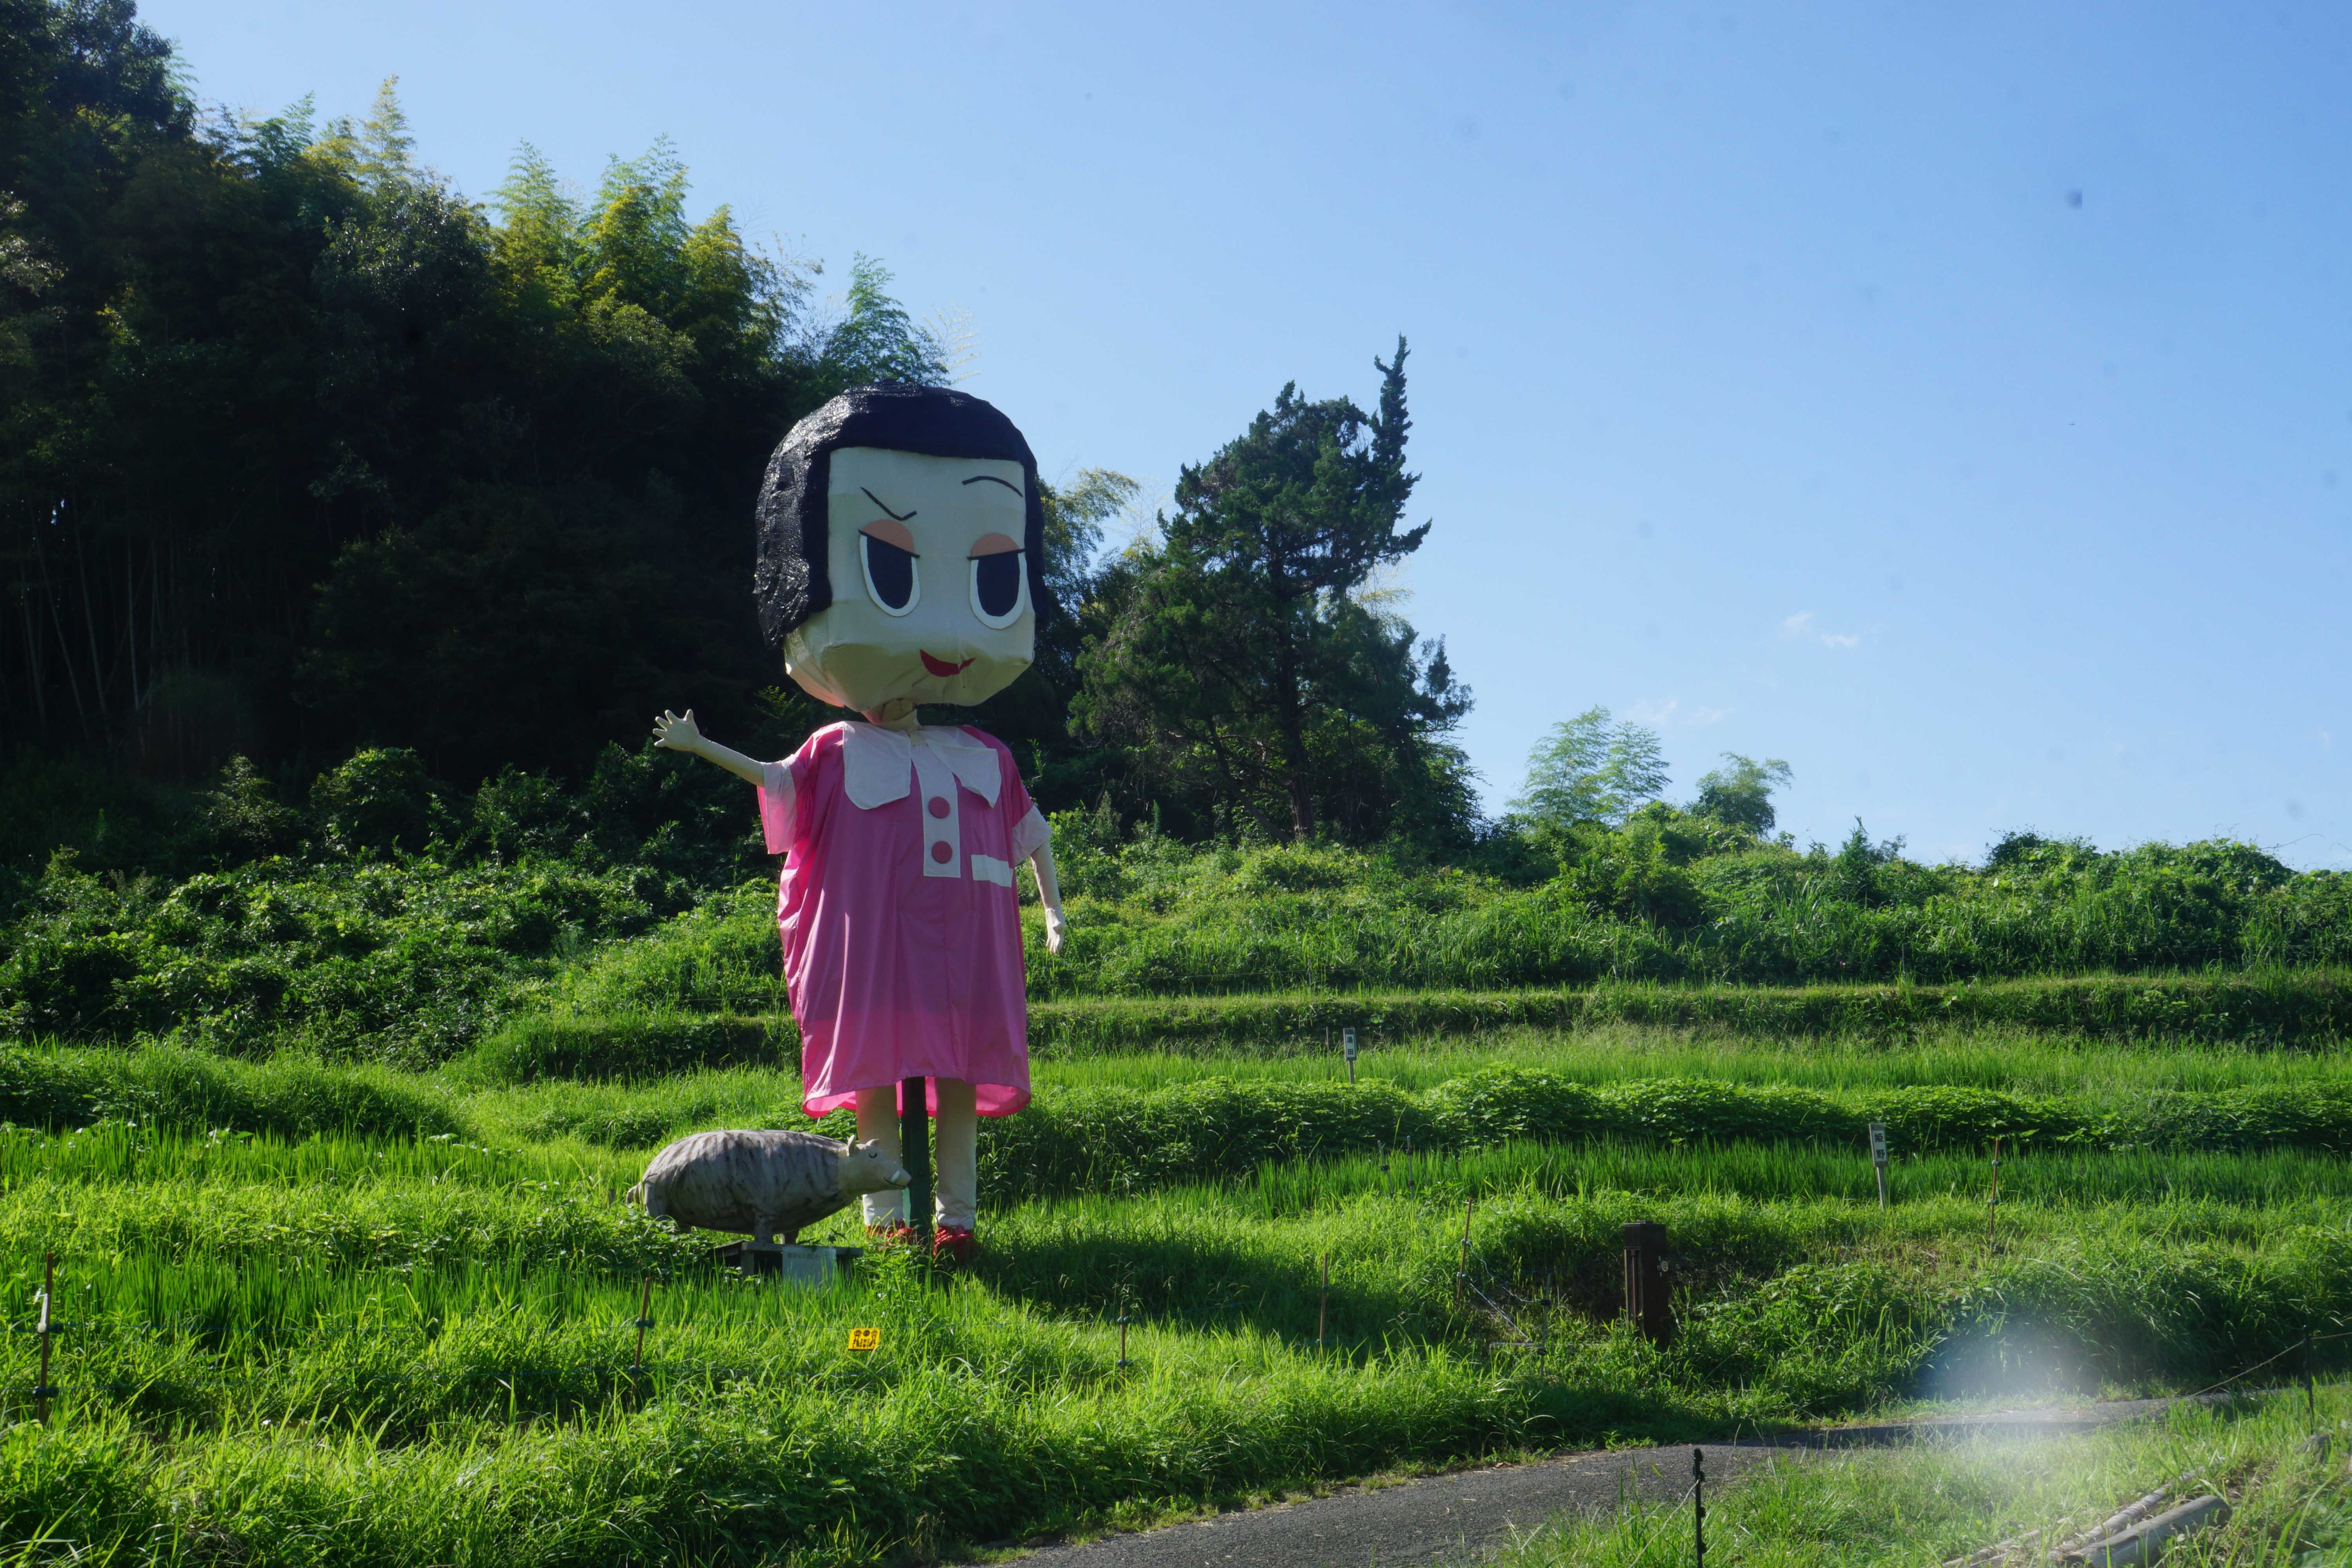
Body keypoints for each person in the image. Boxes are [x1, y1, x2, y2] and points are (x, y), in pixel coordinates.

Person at [653, 383, 1067, 1263]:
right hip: (878, 944)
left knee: (956, 1085)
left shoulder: (986, 754)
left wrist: (1054, 910)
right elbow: (777, 782)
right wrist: (702, 747)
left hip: (970, 951)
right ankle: (888, 1221)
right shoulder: (837, 749)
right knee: (879, 1081)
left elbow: (1034, 834)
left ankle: (956, 1219)